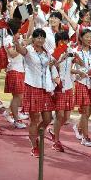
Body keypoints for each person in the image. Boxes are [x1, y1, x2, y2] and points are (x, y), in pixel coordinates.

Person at [15, 23, 54, 157]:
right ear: (33, 39)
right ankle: (34, 145)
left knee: (48, 118)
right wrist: (16, 41)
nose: (40, 40)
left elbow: (50, 65)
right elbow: (20, 50)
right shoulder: (29, 50)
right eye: (37, 37)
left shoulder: (46, 52)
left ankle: (35, 135)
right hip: (32, 87)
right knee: (34, 118)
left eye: (42, 37)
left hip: (45, 88)